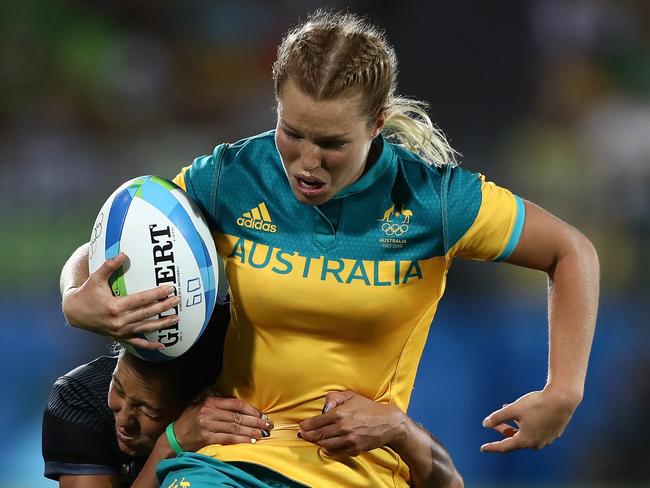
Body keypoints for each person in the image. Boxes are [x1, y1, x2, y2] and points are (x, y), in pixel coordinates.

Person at [59, 9, 599, 488]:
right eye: (292, 133)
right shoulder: (231, 177)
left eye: (332, 144)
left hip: (362, 466)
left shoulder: (432, 199)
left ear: (376, 125)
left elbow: (571, 251)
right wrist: (75, 292)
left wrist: (564, 390)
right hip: (225, 462)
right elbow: (121, 235)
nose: (306, 162)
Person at [46, 287, 463, 488]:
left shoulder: (259, 419)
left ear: (207, 402)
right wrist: (168, 444)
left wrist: (400, 428)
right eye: (120, 390)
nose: (124, 420)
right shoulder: (82, 402)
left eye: (150, 412)